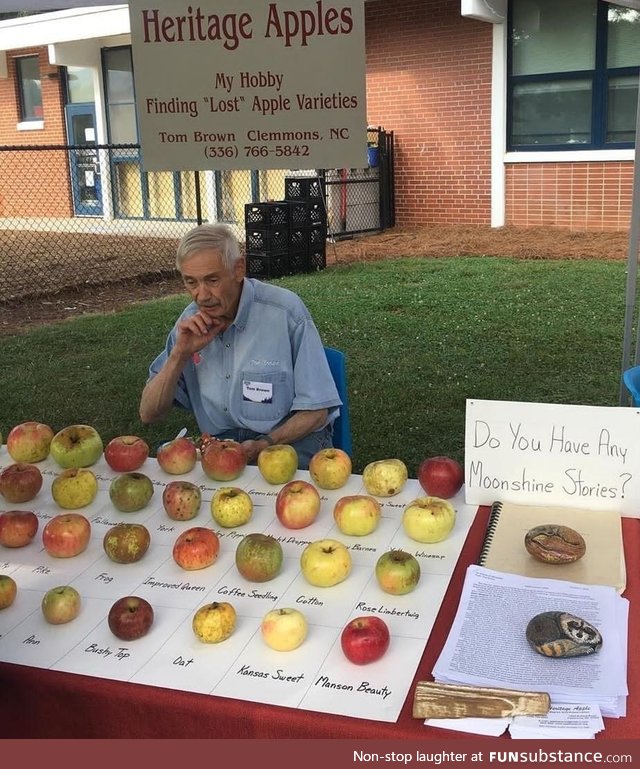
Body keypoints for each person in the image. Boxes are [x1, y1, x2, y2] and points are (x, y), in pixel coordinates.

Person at [139, 222, 342, 469]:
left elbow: (317, 410)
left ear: (238, 269)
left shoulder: (284, 312)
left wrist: (264, 444)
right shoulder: (189, 324)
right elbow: (148, 414)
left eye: (212, 280)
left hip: (286, 442)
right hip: (219, 447)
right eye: (191, 282)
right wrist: (179, 355)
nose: (201, 296)